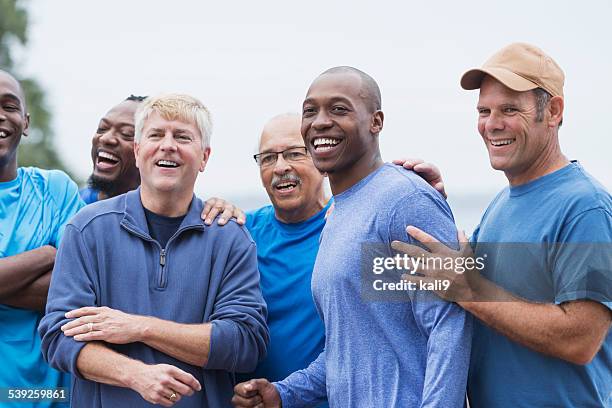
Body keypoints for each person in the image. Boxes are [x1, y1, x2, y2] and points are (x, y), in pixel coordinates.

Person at [233, 67, 471, 407]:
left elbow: (449, 328)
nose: (320, 122)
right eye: (310, 111)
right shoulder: (339, 214)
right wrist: (284, 393)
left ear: (376, 121)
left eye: (339, 109)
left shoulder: (404, 199)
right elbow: (351, 347)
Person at [393, 43, 612, 407]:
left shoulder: (585, 208)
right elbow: (467, 275)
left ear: (553, 111)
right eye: (484, 110)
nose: (492, 124)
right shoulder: (501, 204)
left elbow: (581, 339)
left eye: (510, 109)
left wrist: (469, 291)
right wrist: (430, 205)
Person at [39, 93, 269, 407]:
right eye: (156, 134)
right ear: (137, 150)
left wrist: (140, 327)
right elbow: (59, 337)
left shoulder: (231, 238)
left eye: (183, 137)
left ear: (204, 157)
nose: (168, 145)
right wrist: (135, 374)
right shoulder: (86, 229)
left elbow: (245, 343)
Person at [0, 69, 84, 407]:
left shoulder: (55, 189)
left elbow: (79, 289)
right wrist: (49, 254)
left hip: (52, 395)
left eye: (9, 106)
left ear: (26, 121)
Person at [80, 95, 242, 225]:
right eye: (102, 128)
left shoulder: (211, 221)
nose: (107, 138)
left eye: (127, 133)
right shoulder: (72, 210)